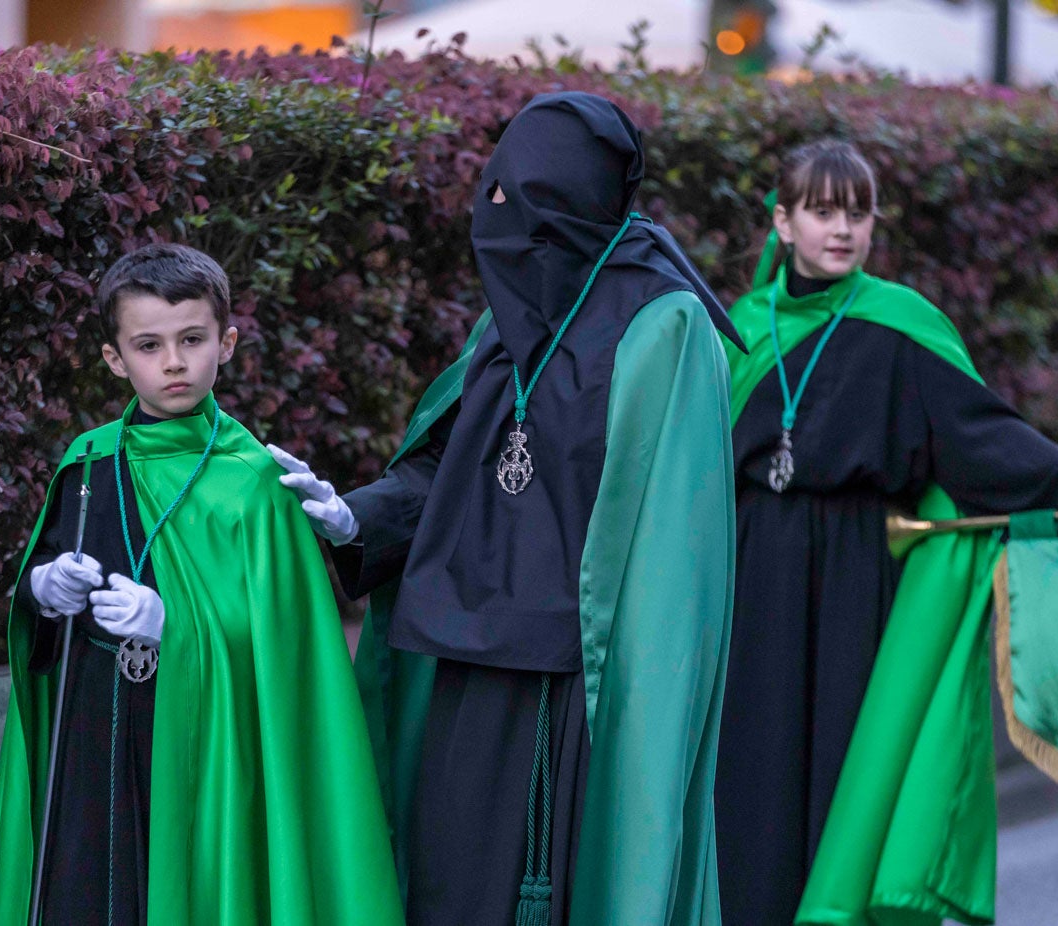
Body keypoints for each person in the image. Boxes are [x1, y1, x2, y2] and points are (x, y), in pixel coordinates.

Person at [270, 92, 742, 925]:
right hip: (457, 667)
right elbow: (443, 470)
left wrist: (634, 692)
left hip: (575, 689)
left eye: (518, 199)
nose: (495, 219)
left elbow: (675, 541)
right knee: (448, 883)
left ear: (572, 205)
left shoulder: (663, 324)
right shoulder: (506, 318)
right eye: (492, 194)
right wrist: (353, 519)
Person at [714, 140, 1058, 926]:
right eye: (820, 212)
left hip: (855, 578)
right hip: (753, 578)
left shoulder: (900, 327)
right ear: (782, 223)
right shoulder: (737, 331)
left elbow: (986, 441)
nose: (841, 230)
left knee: (846, 760)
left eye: (857, 213)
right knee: (753, 762)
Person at [0, 243, 403, 925]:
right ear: (115, 358)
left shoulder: (254, 481)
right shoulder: (89, 462)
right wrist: (43, 587)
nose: (173, 362)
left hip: (203, 751)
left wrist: (174, 627)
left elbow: (281, 656)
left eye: (192, 339)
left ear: (225, 343)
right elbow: (43, 587)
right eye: (148, 345)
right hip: (95, 732)